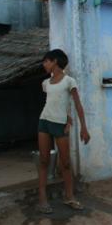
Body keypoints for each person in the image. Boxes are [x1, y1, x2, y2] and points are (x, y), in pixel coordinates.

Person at [37, 49, 90, 214]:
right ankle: (42, 199)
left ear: (55, 62)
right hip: (44, 122)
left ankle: (69, 197)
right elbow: (53, 102)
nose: (44, 64)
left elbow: (77, 104)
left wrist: (84, 127)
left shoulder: (69, 81)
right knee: (44, 161)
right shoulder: (46, 83)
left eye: (46, 61)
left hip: (59, 125)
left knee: (66, 163)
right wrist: (67, 115)